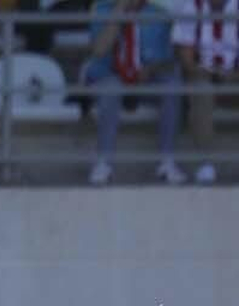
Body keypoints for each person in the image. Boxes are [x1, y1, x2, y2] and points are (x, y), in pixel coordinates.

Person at [83, 0, 183, 185]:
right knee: (111, 89)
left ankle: (167, 161)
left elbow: (169, 61)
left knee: (172, 85)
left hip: (146, 78)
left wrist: (151, 69)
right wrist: (119, 11)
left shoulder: (159, 14)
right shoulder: (101, 9)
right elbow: (99, 50)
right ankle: (104, 163)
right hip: (109, 74)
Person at [173, 0, 238, 184]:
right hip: (202, 74)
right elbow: (187, 60)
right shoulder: (191, 6)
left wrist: (231, 76)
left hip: (235, 75)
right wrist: (209, 73)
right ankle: (206, 163)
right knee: (202, 90)